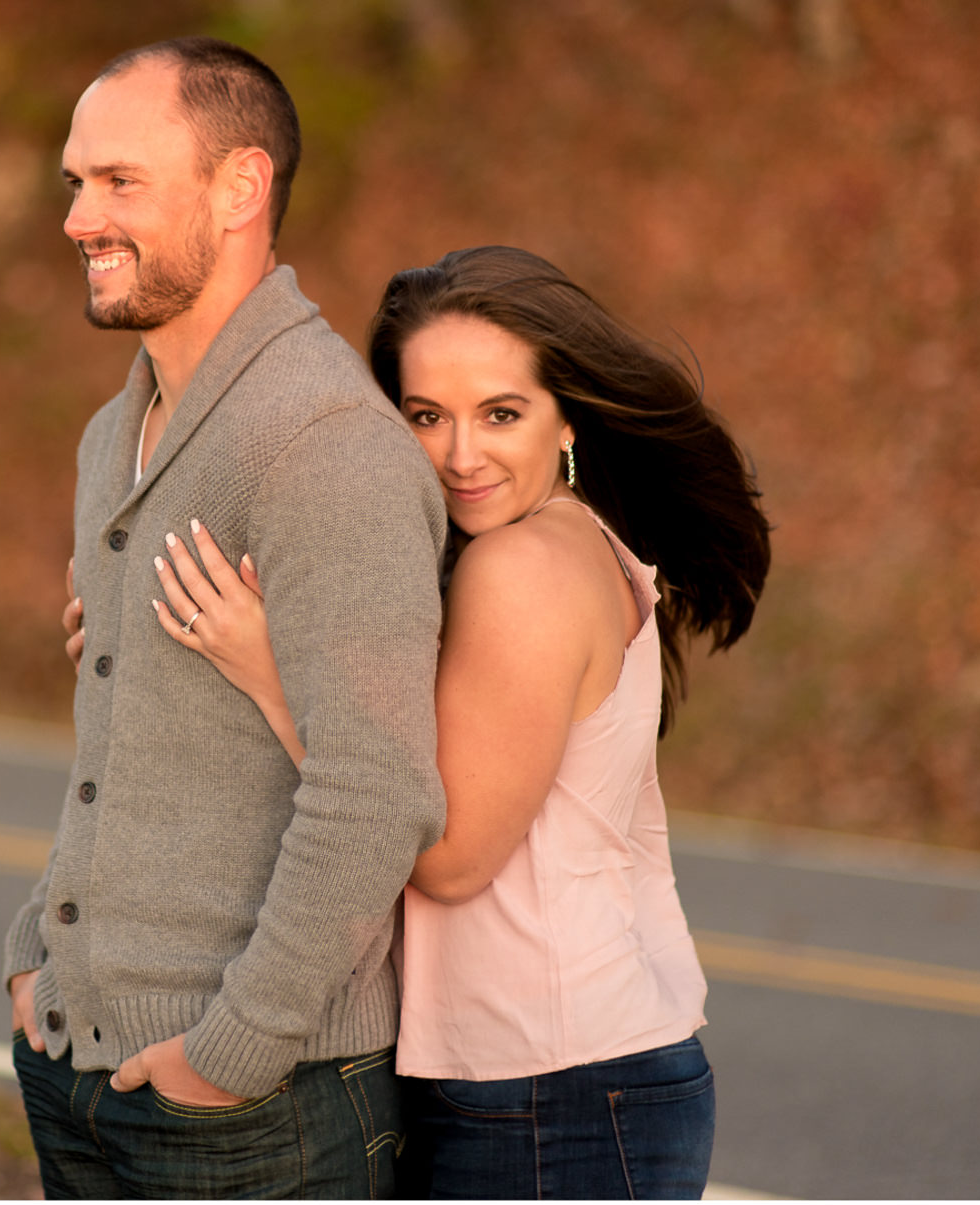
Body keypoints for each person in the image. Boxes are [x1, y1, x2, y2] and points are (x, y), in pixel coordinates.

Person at [142, 245, 771, 1199]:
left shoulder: (521, 570)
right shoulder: (565, 541)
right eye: (425, 416)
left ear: (567, 414)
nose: (461, 454)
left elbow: (447, 856)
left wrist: (272, 676)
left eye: (501, 413)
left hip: (547, 1088)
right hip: (572, 1072)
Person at [6, 36, 450, 1198]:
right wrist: (33, 949)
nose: (76, 219)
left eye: (119, 182)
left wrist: (235, 1052)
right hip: (79, 1064)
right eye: (74, 183)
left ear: (239, 188)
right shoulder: (117, 435)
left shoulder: (323, 445)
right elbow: (118, 732)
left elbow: (376, 787)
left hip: (256, 1108)